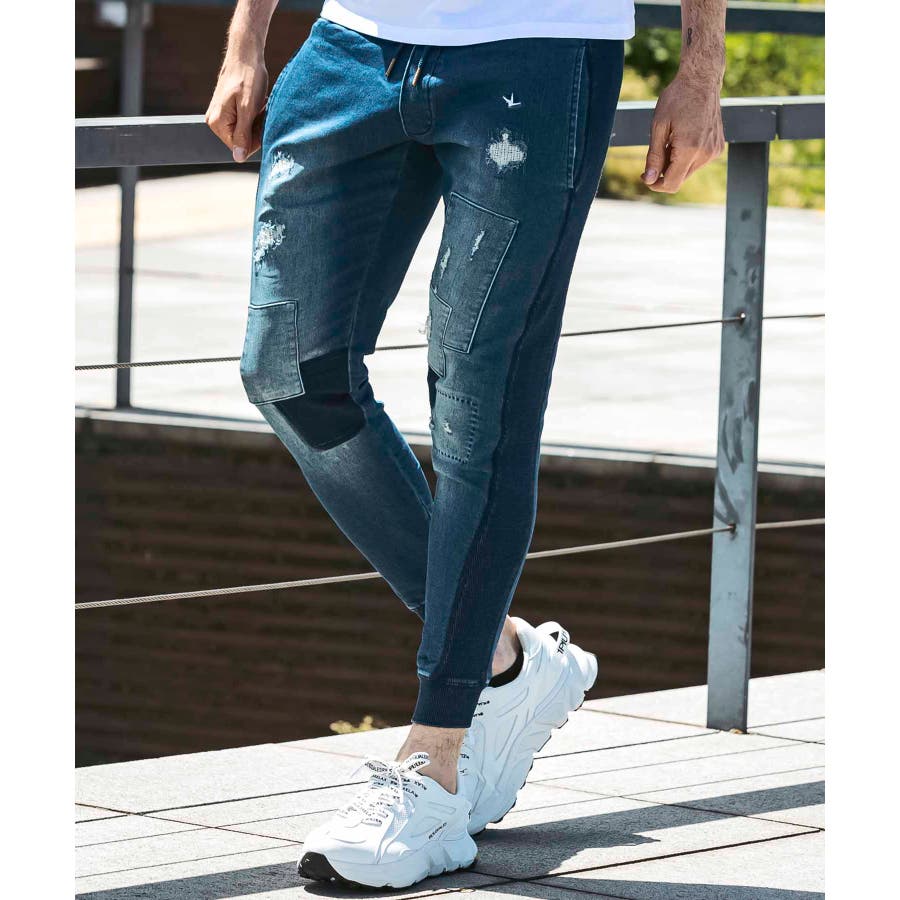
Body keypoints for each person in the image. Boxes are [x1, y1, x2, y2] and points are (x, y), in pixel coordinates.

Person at [206, 0, 725, 888]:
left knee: (481, 412)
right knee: (287, 372)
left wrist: (701, 68)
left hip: (538, 54)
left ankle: (435, 769)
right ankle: (502, 657)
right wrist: (247, 38)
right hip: (350, 50)